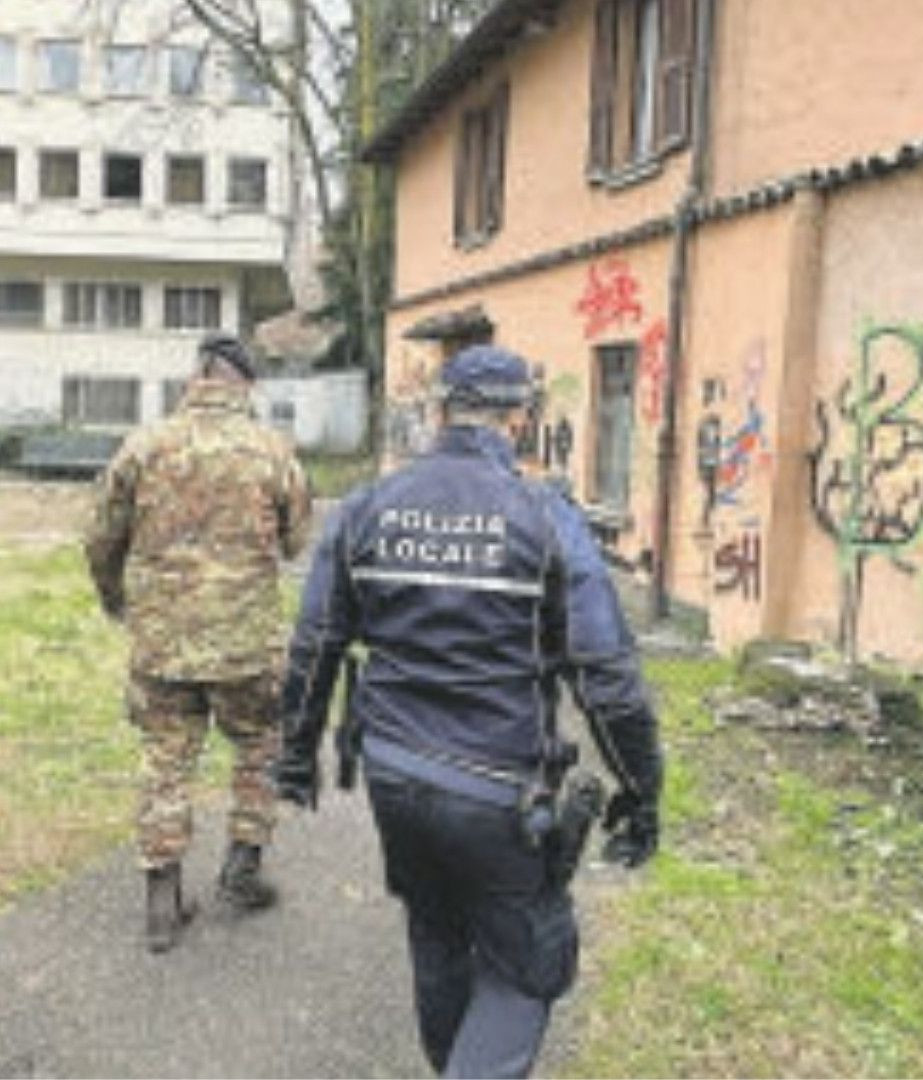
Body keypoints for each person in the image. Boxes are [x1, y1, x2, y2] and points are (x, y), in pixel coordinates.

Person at [272, 344, 664, 1079]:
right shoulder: (544, 514)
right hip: (498, 790)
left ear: (440, 411)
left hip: (392, 775)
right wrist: (642, 791)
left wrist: (295, 757)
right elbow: (606, 676)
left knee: (437, 931)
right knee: (529, 967)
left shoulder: (365, 507)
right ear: (521, 418)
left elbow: (314, 645)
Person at [83, 331, 313, 953]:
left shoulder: (145, 444)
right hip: (246, 644)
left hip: (163, 645)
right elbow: (296, 542)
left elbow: (101, 535)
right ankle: (243, 867)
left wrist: (115, 598)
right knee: (260, 747)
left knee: (166, 758)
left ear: (196, 379)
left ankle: (162, 900)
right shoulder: (272, 451)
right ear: (247, 385)